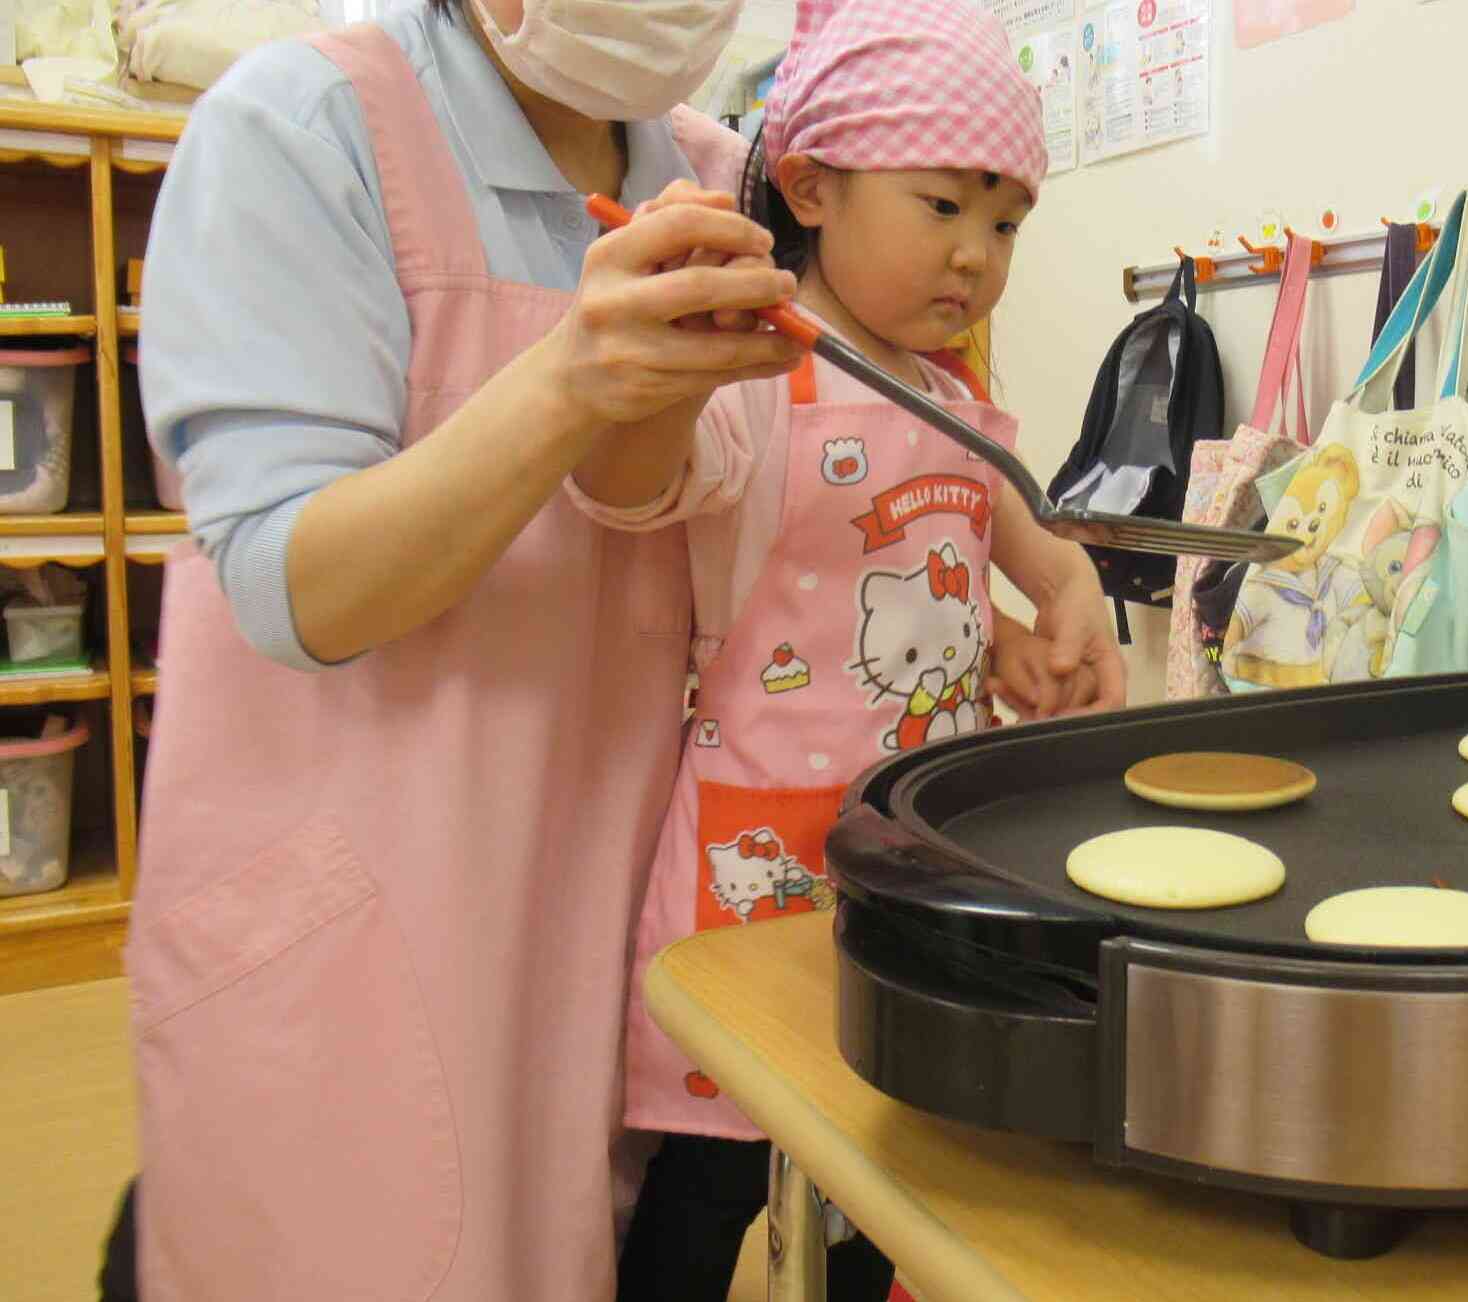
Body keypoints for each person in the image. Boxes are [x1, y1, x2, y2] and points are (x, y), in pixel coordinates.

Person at [118, 0, 806, 1297]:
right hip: (356, 900)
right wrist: (566, 380)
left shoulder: (705, 175)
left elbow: (661, 502)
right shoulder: (301, 128)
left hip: (590, 883)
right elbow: (290, 583)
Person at [607, 2, 1127, 1297]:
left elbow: (1006, 527)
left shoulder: (946, 393)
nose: (976, 258)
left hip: (911, 851)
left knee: (877, 1155)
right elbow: (653, 496)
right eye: (940, 206)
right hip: (756, 857)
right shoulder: (745, 371)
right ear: (808, 187)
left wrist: (1054, 601)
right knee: (715, 1164)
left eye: (1004, 222)